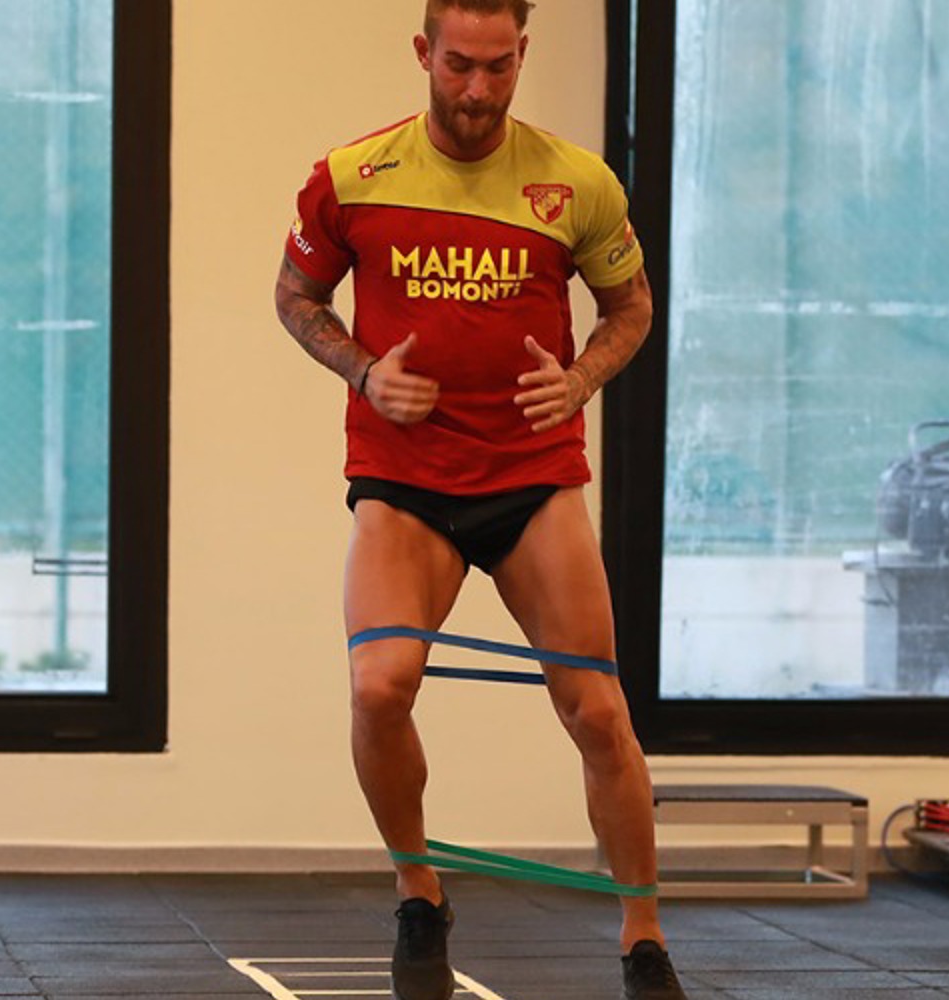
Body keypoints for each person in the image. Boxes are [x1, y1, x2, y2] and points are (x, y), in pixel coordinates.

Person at [274, 2, 688, 998]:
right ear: (424, 52)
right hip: (404, 479)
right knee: (379, 688)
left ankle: (642, 936)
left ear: (521, 56)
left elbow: (630, 306)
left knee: (598, 711)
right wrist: (365, 372)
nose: (477, 90)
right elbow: (295, 297)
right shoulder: (351, 176)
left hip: (531, 478)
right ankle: (420, 892)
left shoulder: (576, 182)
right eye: (459, 65)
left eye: (498, 68)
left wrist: (580, 379)